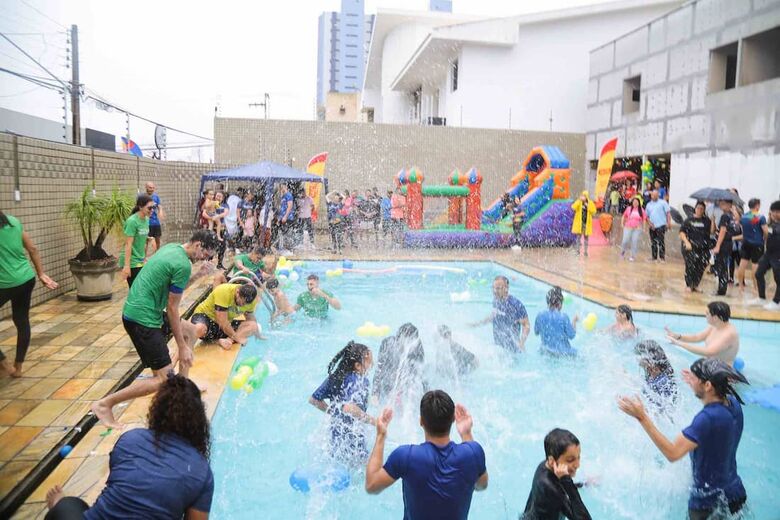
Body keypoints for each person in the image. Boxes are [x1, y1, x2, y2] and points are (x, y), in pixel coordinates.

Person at [91, 230, 219, 429]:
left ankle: (181, 391)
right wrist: (181, 346)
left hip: (145, 311)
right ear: (198, 245)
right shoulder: (183, 264)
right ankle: (104, 404)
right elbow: (173, 307)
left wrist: (200, 274)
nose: (205, 258)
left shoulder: (173, 248)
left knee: (192, 331)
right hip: (143, 319)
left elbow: (174, 292)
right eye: (206, 254)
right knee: (162, 380)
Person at [44, 374, 214, 520]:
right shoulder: (201, 471)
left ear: (156, 410)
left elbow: (122, 487)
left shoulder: (130, 439)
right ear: (198, 420)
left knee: (69, 504)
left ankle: (59, 503)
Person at [618, 358, 749, 519]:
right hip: (735, 493)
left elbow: (672, 453)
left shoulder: (707, 419)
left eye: (695, 379)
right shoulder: (733, 404)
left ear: (708, 386)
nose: (690, 380)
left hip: (707, 505)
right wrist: (697, 383)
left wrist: (642, 417)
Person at [365, 390, 488, 520]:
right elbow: (481, 485)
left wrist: (381, 435)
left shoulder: (407, 456)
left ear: (421, 421)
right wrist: (466, 433)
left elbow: (372, 485)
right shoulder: (473, 453)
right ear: (453, 419)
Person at [0, 211, 58, 378]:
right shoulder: (13, 222)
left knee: (21, 319)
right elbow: (32, 248)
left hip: (4, 284)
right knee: (21, 320)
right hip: (26, 279)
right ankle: (18, 368)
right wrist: (41, 273)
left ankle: (4, 363)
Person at [309, 341, 375, 465]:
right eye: (369, 362)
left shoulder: (336, 377)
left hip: (335, 437)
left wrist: (334, 412)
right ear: (358, 366)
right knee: (364, 468)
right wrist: (373, 421)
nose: (372, 365)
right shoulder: (360, 380)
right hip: (354, 439)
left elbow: (314, 400)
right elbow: (349, 408)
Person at [521, 428, 591, 520]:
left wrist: (583, 484)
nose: (577, 465)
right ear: (552, 461)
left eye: (578, 457)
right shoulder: (552, 490)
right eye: (570, 460)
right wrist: (567, 481)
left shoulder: (543, 467)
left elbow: (558, 485)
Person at [665, 301, 740, 366]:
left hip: (722, 371)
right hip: (710, 364)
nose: (705, 316)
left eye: (707, 313)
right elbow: (697, 337)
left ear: (716, 318)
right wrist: (678, 337)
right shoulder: (715, 326)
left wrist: (679, 343)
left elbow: (708, 352)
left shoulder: (729, 334)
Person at [190, 283, 261, 350]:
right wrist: (236, 338)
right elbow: (222, 321)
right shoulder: (224, 291)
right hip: (206, 317)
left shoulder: (251, 301)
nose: (242, 305)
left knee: (253, 326)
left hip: (224, 326)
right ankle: (217, 341)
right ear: (237, 292)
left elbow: (250, 318)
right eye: (241, 302)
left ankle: (227, 341)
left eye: (245, 304)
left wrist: (257, 332)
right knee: (199, 328)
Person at [469, 276, 530, 352]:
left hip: (512, 351)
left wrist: (521, 342)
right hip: (498, 347)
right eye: (493, 288)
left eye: (498, 288)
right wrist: (477, 324)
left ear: (506, 288)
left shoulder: (516, 305)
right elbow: (494, 315)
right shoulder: (496, 300)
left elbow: (526, 325)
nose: (494, 291)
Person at [372, 323, 427, 404]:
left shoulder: (417, 347)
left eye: (413, 340)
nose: (410, 345)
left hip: (406, 383)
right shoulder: (387, 344)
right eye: (407, 340)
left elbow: (421, 372)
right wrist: (375, 393)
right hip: (389, 381)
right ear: (398, 338)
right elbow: (379, 369)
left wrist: (427, 395)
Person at [118, 194, 153, 288]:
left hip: (140, 259)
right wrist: (126, 266)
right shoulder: (132, 221)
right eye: (149, 208)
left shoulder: (146, 219)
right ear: (140, 207)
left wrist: (149, 238)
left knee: (140, 290)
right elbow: (128, 244)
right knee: (137, 290)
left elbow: (141, 236)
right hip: (132, 261)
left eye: (153, 207)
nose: (152, 210)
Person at [634, 340, 678, 410]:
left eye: (639, 355)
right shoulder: (651, 374)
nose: (637, 358)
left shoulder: (663, 382)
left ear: (650, 358)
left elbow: (665, 408)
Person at [752, 200, 780, 310]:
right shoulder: (771, 223)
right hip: (768, 254)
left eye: (778, 212)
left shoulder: (775, 226)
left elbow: (772, 231)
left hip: (778, 255)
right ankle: (761, 298)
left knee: (779, 279)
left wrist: (764, 226)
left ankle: (777, 302)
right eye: (774, 212)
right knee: (758, 273)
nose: (776, 214)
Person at [534, 286, 579, 357]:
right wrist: (574, 321)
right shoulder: (563, 317)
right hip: (563, 354)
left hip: (546, 352)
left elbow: (536, 332)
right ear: (559, 303)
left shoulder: (540, 315)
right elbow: (572, 335)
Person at [735, 198, 767, 293]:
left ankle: (741, 286)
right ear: (757, 205)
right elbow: (765, 231)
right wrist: (764, 239)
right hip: (757, 244)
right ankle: (755, 288)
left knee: (742, 264)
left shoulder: (744, 217)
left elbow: (744, 230)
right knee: (755, 265)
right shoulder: (760, 217)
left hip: (745, 243)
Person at [680, 201, 713, 292]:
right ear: (695, 208)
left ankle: (695, 284)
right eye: (698, 208)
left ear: (704, 210)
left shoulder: (707, 221)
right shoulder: (689, 220)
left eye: (702, 209)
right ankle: (689, 284)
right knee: (690, 265)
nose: (699, 210)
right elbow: (682, 232)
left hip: (703, 247)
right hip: (690, 246)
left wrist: (713, 220)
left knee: (701, 266)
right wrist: (686, 242)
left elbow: (712, 231)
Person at [711, 199, 739, 296]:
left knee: (721, 267)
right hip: (729, 243)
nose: (721, 205)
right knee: (724, 266)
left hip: (724, 244)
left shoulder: (725, 216)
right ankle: (722, 289)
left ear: (729, 205)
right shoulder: (732, 216)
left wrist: (717, 246)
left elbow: (723, 231)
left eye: (723, 203)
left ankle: (721, 290)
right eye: (721, 203)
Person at [645, 190, 672, 262]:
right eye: (652, 195)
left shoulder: (663, 202)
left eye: (655, 195)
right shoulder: (648, 204)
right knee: (653, 242)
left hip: (661, 225)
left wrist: (669, 222)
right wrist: (649, 223)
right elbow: (646, 216)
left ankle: (662, 258)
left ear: (658, 195)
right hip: (652, 226)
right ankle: (654, 257)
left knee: (661, 242)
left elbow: (668, 213)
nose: (653, 196)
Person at [570, 191, 596, 257]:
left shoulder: (590, 203)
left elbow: (594, 211)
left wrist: (588, 206)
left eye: (584, 196)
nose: (583, 197)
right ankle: (577, 251)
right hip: (579, 223)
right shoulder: (579, 202)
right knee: (578, 238)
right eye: (582, 195)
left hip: (586, 224)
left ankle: (585, 252)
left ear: (586, 196)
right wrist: (579, 201)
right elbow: (573, 207)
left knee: (586, 238)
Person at [620, 196, 646, 262]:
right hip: (628, 227)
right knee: (625, 241)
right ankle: (622, 252)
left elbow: (644, 219)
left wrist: (644, 228)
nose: (635, 203)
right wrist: (622, 224)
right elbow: (624, 216)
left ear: (639, 203)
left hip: (637, 229)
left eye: (636, 202)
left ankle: (632, 256)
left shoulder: (641, 210)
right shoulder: (628, 208)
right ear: (632, 202)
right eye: (634, 202)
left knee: (634, 242)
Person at [144, 182, 164, 255]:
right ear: (146, 187)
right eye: (150, 188)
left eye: (153, 188)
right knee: (145, 241)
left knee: (158, 240)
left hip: (156, 222)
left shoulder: (156, 197)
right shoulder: (142, 197)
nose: (152, 189)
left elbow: (159, 205)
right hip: (147, 223)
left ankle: (157, 255)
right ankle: (143, 258)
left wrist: (161, 211)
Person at [277, 183, 294, 252]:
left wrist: (285, 216)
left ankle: (289, 249)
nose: (281, 189)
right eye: (281, 187)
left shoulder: (289, 195)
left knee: (287, 234)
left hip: (288, 218)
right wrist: (279, 217)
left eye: (282, 187)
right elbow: (281, 208)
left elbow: (290, 206)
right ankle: (282, 248)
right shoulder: (283, 196)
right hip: (282, 217)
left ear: (286, 187)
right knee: (281, 233)